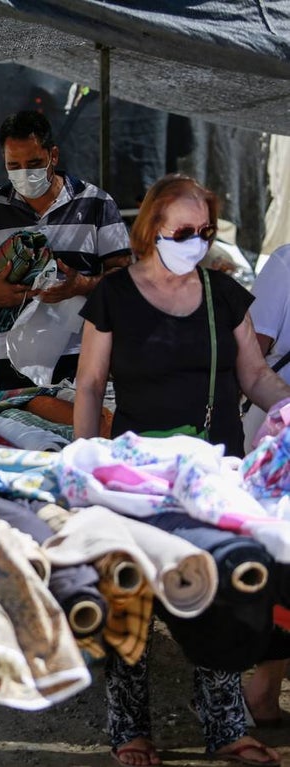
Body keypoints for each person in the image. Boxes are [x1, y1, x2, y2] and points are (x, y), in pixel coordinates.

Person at [74, 174, 290, 766]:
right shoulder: (113, 295)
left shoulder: (225, 295)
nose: (195, 241)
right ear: (151, 229)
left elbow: (256, 377)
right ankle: (130, 729)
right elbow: (90, 385)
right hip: (134, 476)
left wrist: (288, 404)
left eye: (204, 231)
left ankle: (226, 726)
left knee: (220, 592)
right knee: (131, 594)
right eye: (182, 231)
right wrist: (83, 462)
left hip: (216, 472)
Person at [0, 110, 131, 388]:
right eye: (13, 165)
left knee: (80, 428)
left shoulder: (97, 204)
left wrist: (82, 285)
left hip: (82, 350)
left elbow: (126, 278)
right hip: (13, 358)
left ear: (53, 155)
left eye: (34, 163)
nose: (24, 173)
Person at [241, 242, 290, 728]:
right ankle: (263, 689)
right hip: (282, 431)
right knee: (282, 561)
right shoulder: (286, 261)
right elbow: (258, 348)